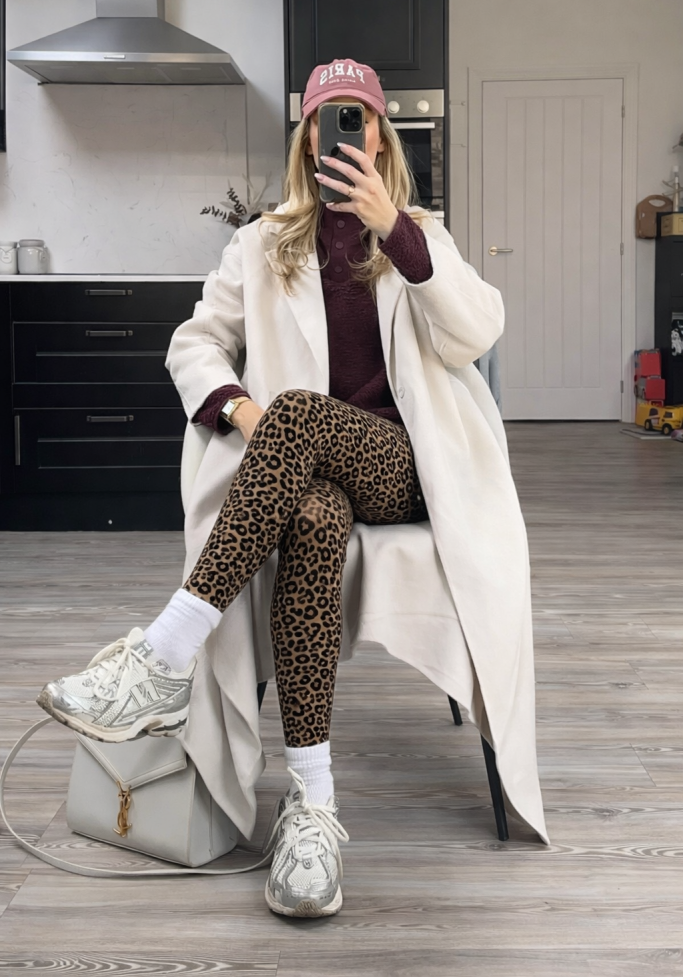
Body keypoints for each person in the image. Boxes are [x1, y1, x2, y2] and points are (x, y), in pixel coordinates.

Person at [36, 58, 546, 917]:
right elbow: (194, 342)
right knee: (309, 519)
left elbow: (477, 330)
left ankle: (163, 654)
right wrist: (240, 411)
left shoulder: (421, 232)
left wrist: (395, 230)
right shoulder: (261, 242)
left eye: (359, 116)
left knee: (300, 413)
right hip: (301, 470)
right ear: (307, 138)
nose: (343, 131)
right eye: (326, 117)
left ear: (379, 137)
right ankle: (312, 806)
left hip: (404, 468)